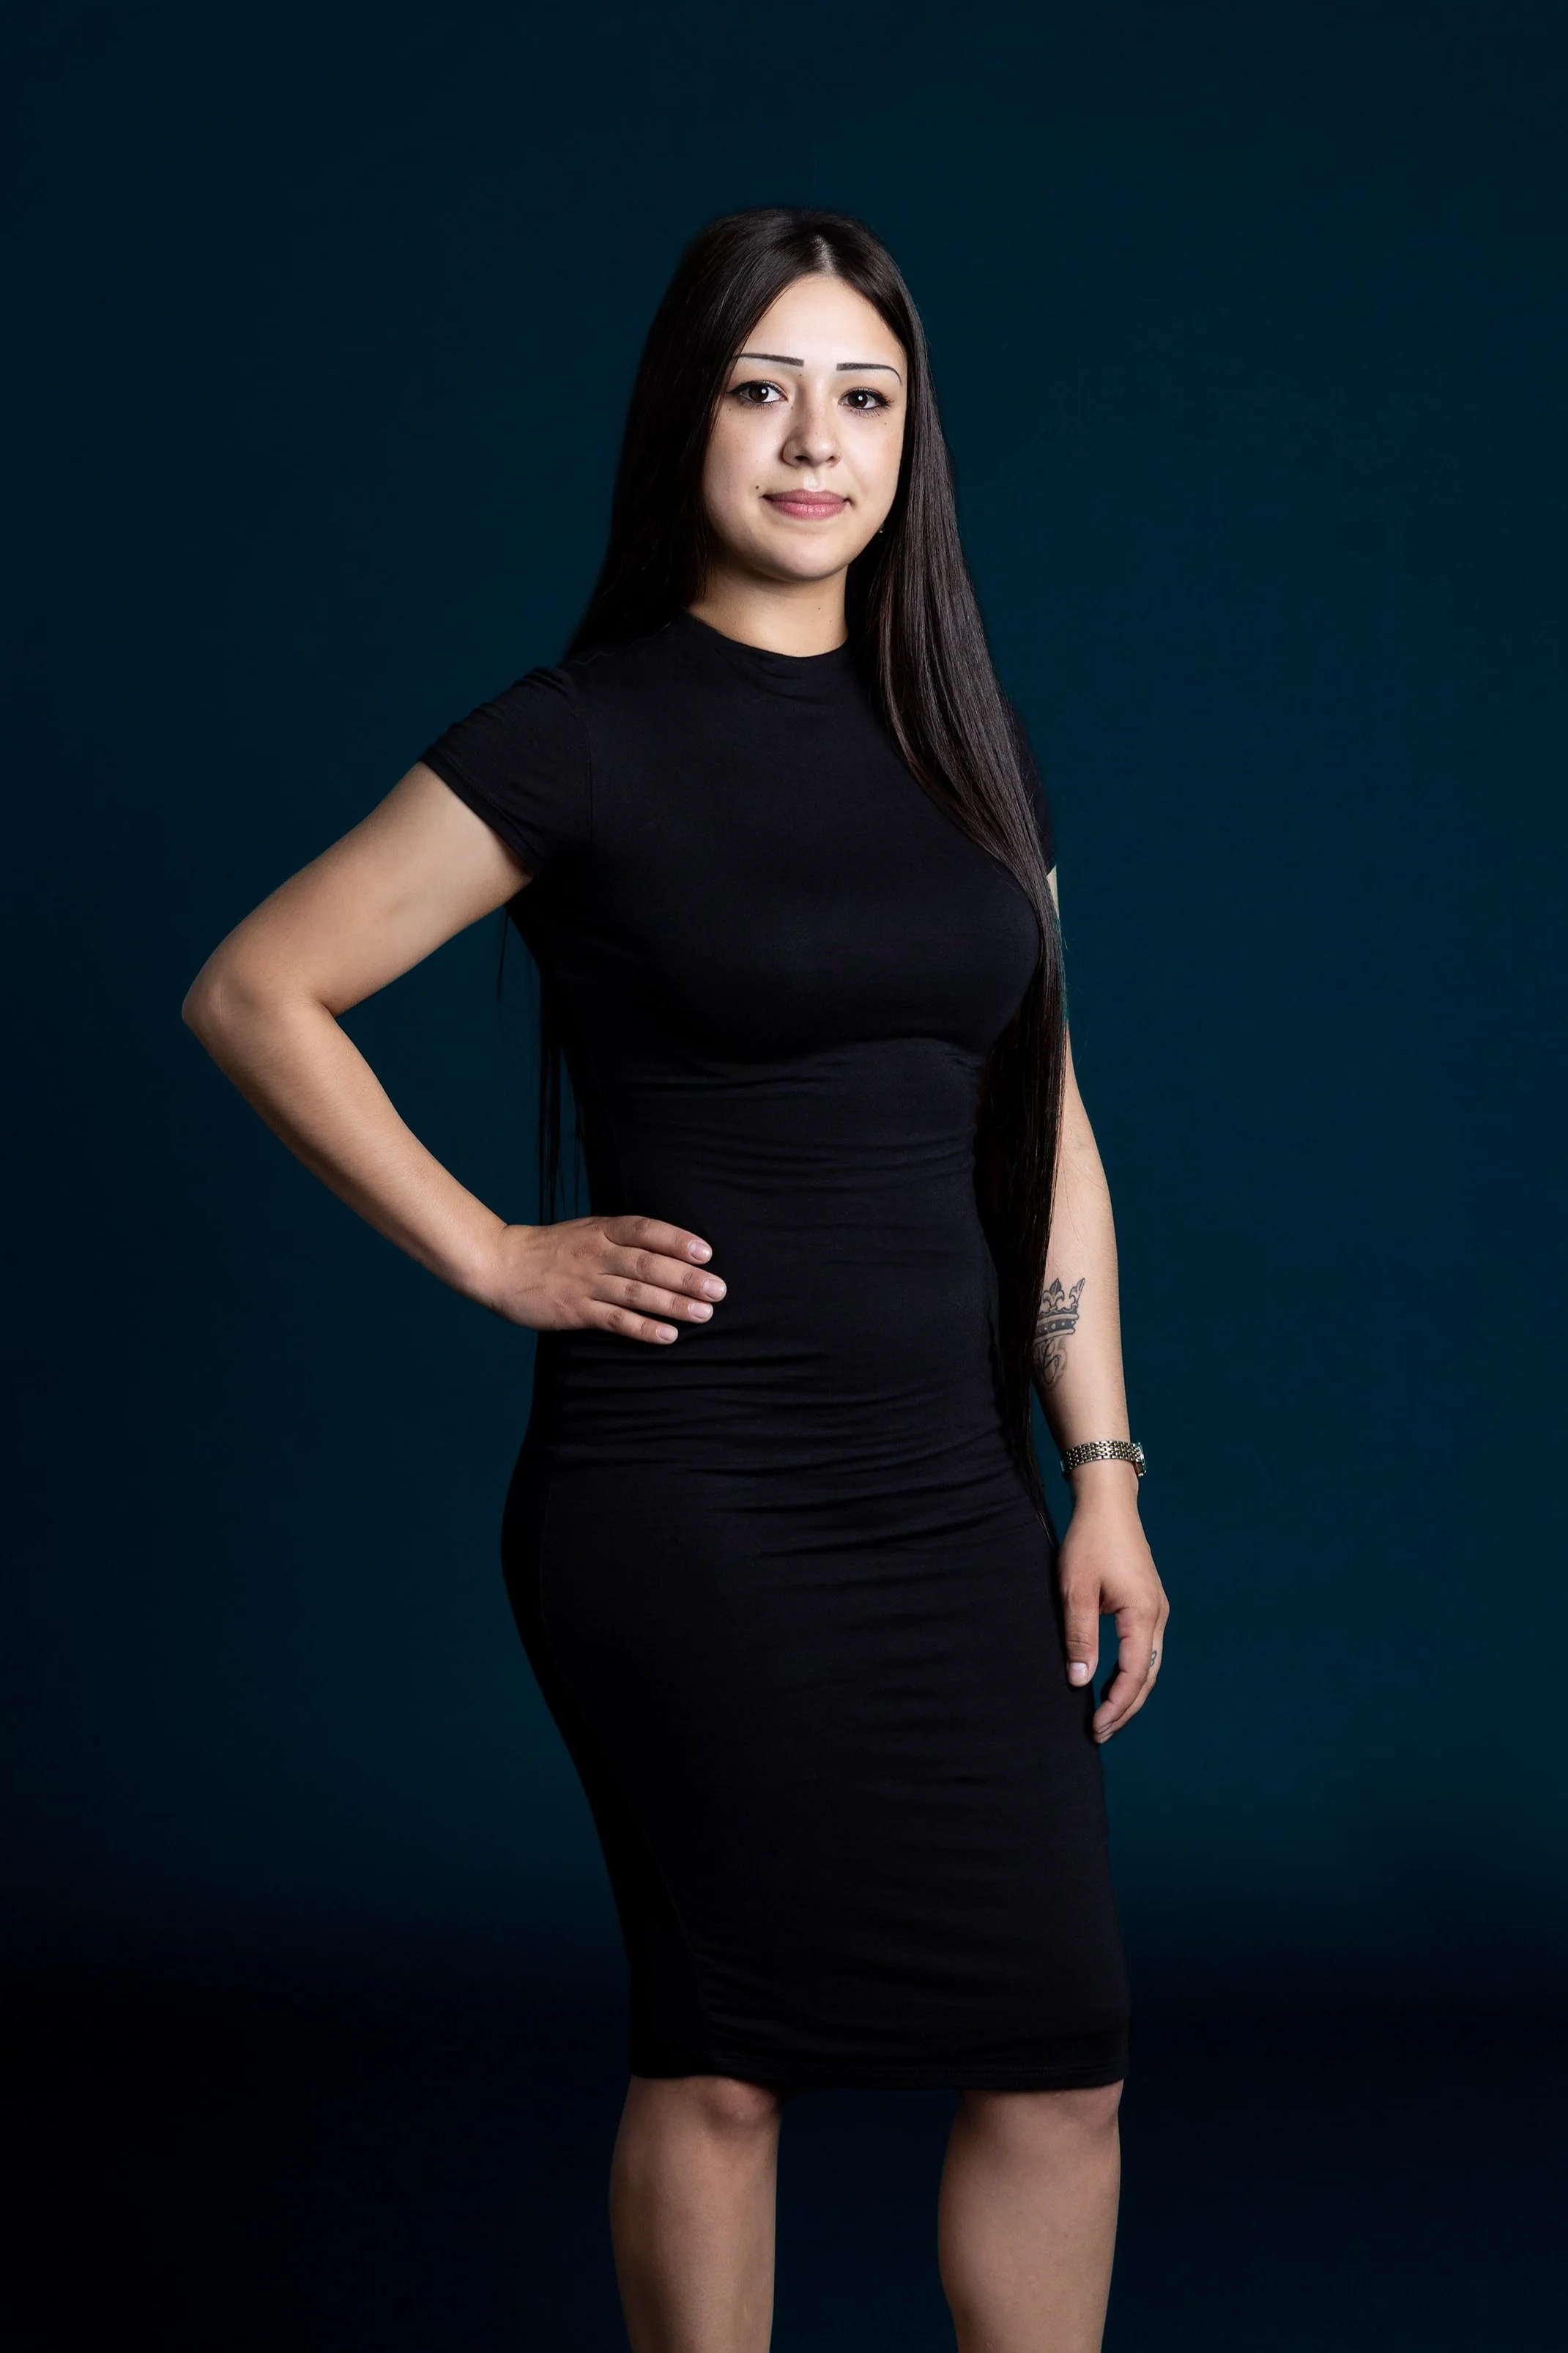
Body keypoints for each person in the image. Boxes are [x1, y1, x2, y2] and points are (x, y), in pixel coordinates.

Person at [183, 205, 1170, 2353]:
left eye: (864, 397)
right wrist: (492, 1249)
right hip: (691, 1505)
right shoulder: (581, 734)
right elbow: (259, 989)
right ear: (686, 421)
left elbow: (1049, 1123)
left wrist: (1098, 1470)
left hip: (948, 1492)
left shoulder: (966, 739)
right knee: (727, 2059)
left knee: (1062, 2058)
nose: (816, 442)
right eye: (762, 389)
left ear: (911, 441)